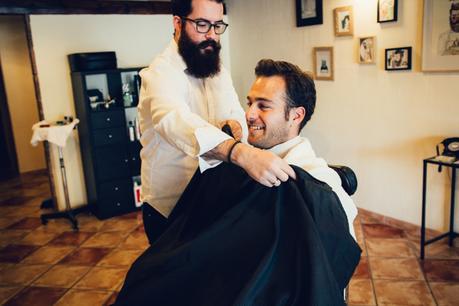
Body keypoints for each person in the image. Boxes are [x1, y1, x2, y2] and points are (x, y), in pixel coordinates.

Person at [138, 0, 295, 244]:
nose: (212, 35)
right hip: (169, 206)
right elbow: (173, 120)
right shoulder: (159, 73)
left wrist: (235, 126)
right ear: (178, 23)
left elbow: (234, 113)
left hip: (211, 197)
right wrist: (240, 153)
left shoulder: (217, 70)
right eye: (202, 25)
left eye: (217, 25)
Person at [246, 59, 357, 236]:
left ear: (296, 116)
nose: (249, 114)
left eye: (263, 106)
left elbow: (336, 256)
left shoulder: (319, 184)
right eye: (249, 103)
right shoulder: (246, 161)